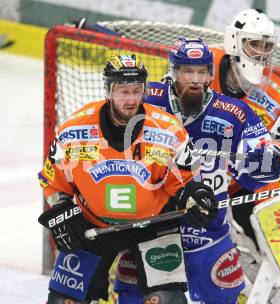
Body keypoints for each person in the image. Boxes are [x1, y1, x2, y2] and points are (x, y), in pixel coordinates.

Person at [112, 38, 280, 304]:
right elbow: (107, 134)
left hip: (208, 233)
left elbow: (258, 164)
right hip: (152, 231)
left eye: (201, 72)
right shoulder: (147, 100)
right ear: (173, 71)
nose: (194, 79)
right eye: (187, 71)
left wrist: (266, 162)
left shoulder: (234, 113)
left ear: (209, 74)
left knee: (222, 296)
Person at [37, 54, 218, 303]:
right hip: (93, 225)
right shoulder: (74, 130)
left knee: (166, 300)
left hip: (155, 225)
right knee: (63, 301)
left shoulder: (168, 130)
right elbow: (53, 182)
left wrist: (194, 198)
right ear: (108, 91)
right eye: (123, 91)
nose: (131, 99)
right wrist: (62, 211)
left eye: (137, 91)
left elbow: (186, 182)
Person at [209, 8, 280, 283]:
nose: (261, 52)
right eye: (254, 43)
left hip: (240, 183)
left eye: (266, 45)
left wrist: (277, 206)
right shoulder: (201, 66)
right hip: (193, 175)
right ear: (235, 41)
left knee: (268, 217)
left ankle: (261, 274)